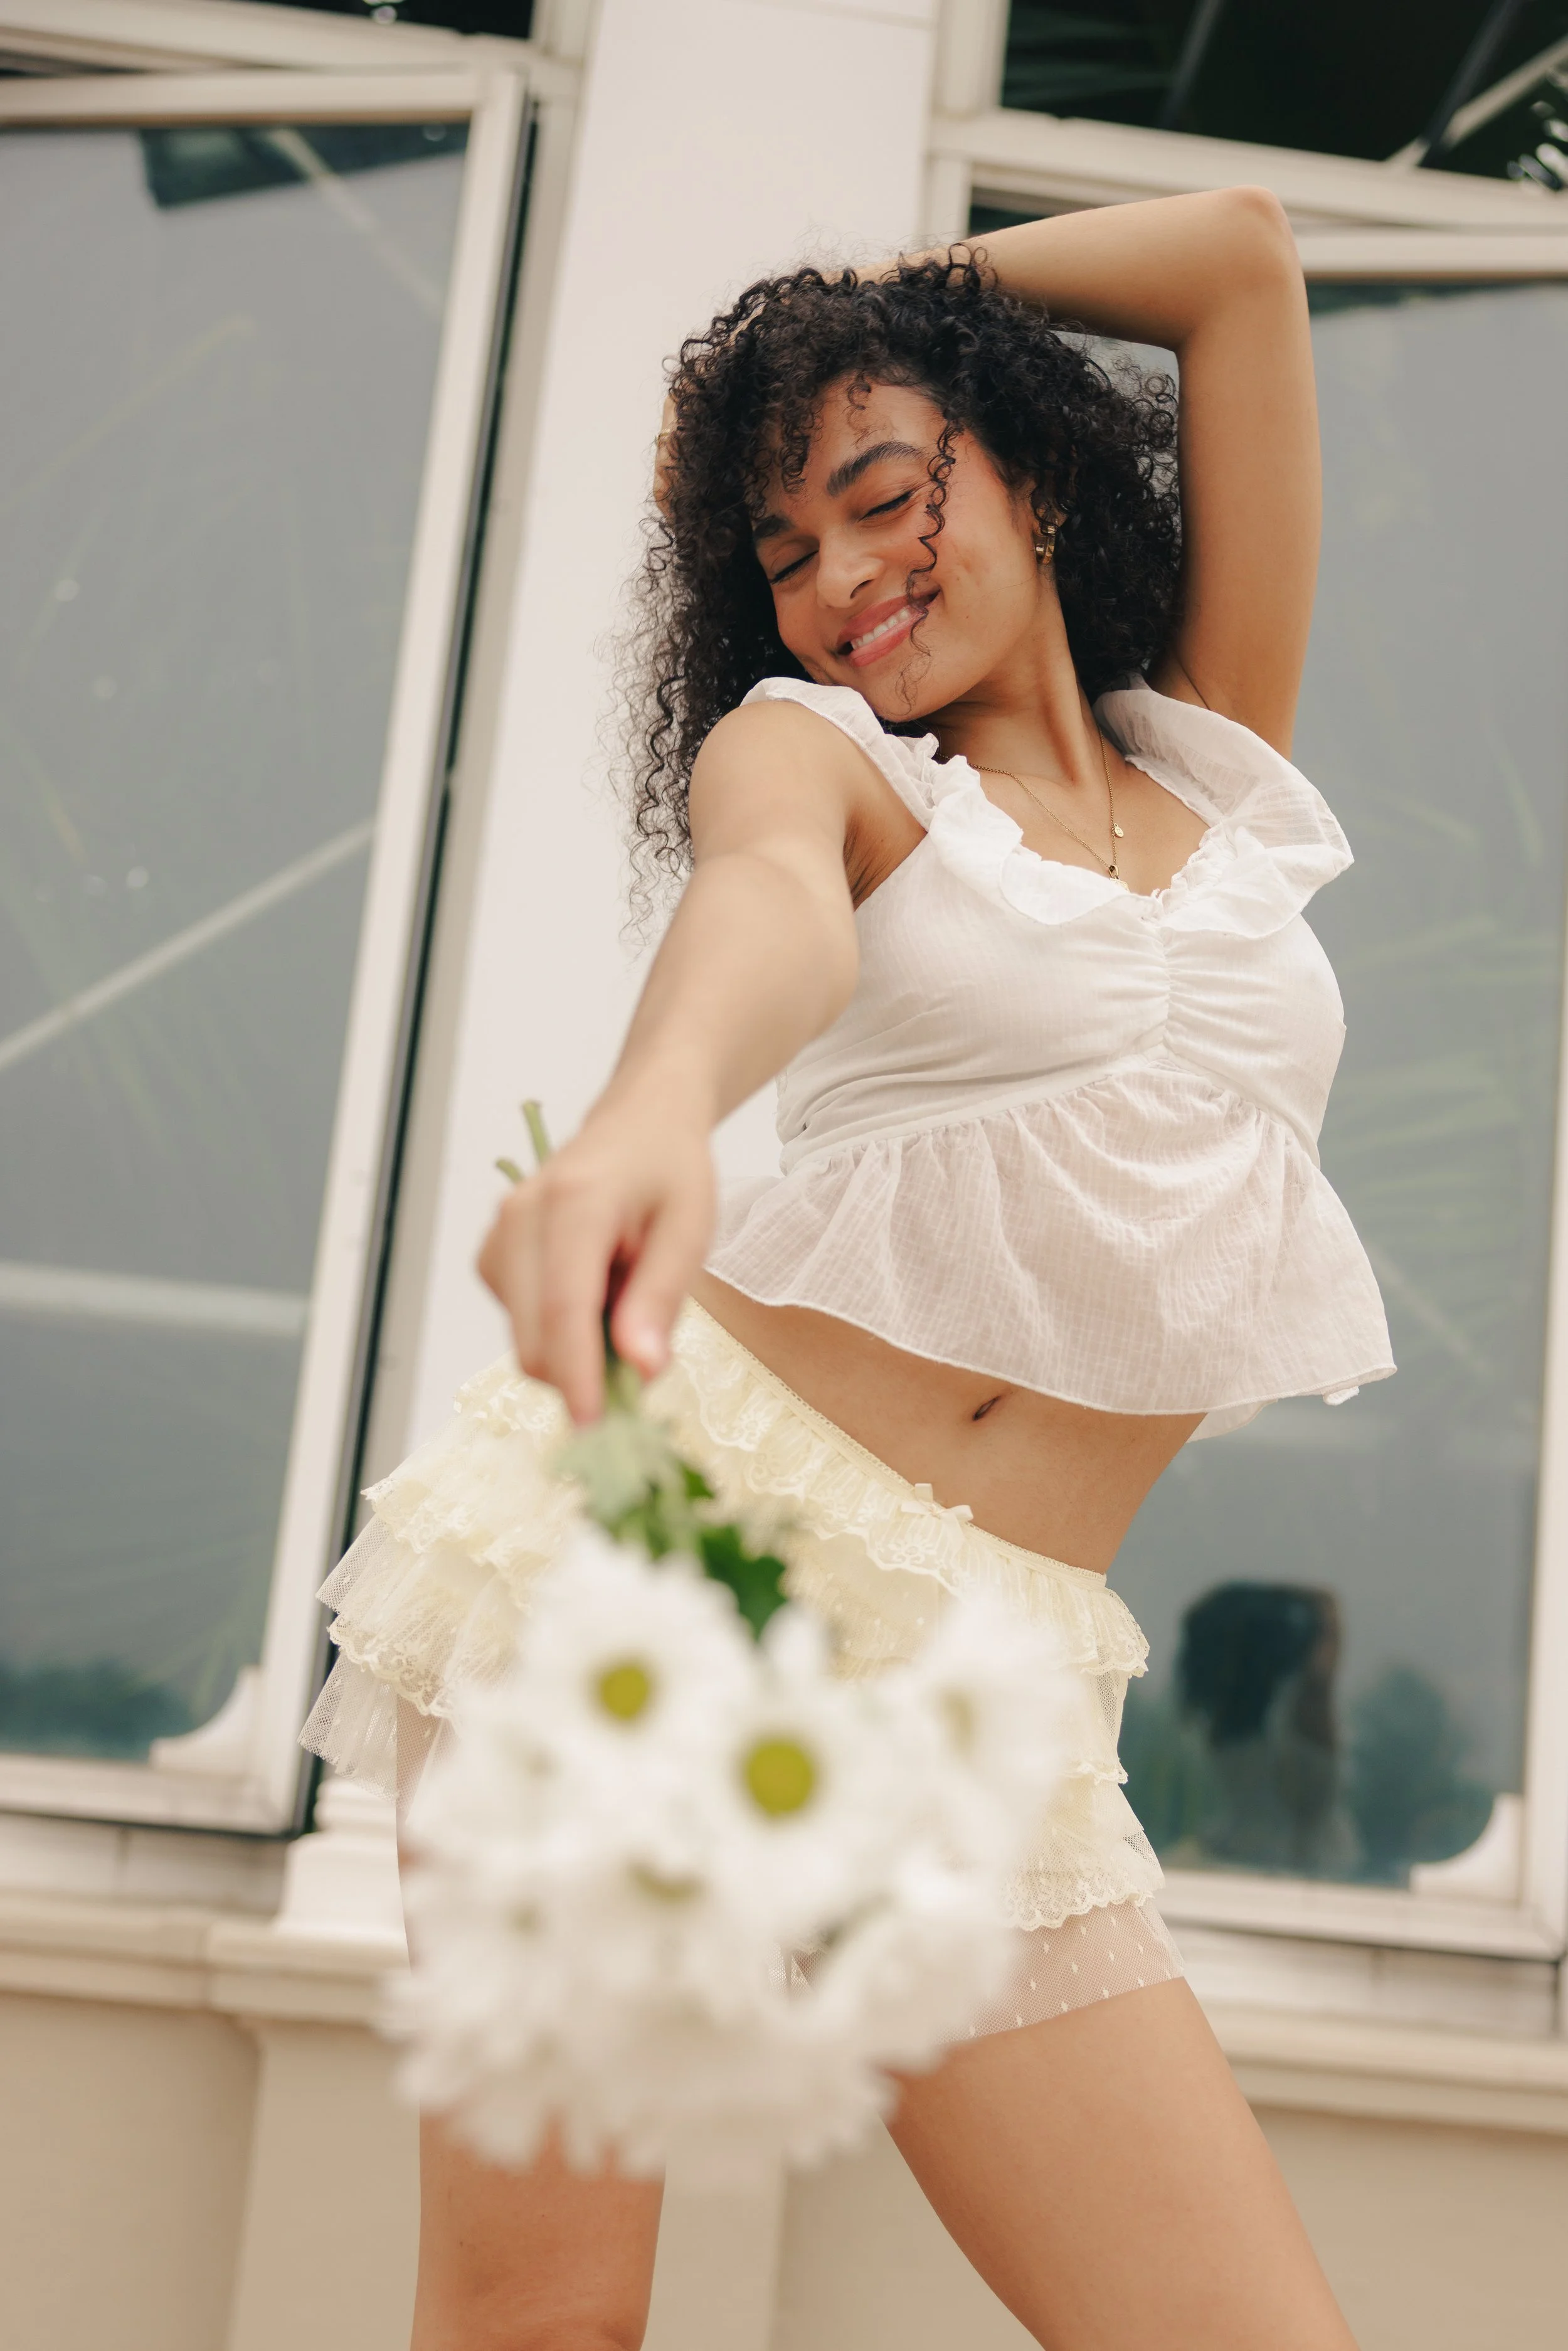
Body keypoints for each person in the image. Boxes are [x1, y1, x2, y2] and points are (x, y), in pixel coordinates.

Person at [304, 189, 1392, 2349]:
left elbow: (1240, 262)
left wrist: (875, 312)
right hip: (665, 1556)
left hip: (983, 1685)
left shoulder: (1223, 769)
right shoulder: (820, 762)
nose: (840, 582)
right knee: (543, 2323)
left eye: (884, 497)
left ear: (1036, 470)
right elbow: (765, 911)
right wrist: (643, 1118)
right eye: (782, 553)